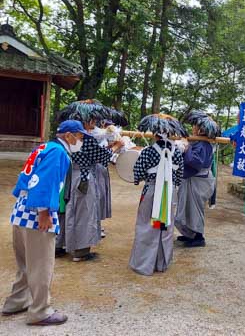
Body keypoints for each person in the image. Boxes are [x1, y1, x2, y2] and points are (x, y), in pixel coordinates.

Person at [2, 120, 86, 326]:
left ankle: (16, 302)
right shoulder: (58, 152)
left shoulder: (43, 147)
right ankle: (40, 311)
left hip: (21, 211)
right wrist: (44, 212)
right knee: (41, 265)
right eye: (80, 137)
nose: (81, 141)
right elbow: (46, 181)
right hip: (37, 214)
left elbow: (25, 179)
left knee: (25, 263)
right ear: (69, 135)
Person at [57, 119, 122, 262]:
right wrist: (117, 146)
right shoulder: (86, 140)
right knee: (84, 213)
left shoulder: (64, 142)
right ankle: (81, 251)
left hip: (69, 177)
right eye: (92, 119)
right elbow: (103, 156)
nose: (95, 123)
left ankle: (60, 244)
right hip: (84, 179)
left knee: (67, 211)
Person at [129, 135, 184, 275]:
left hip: (151, 191)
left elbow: (138, 172)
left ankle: (144, 264)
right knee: (164, 226)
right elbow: (179, 176)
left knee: (147, 225)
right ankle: (161, 263)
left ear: (155, 135)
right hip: (169, 193)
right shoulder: (177, 152)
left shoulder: (148, 151)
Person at [175, 111, 218, 248]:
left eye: (195, 126)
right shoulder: (199, 142)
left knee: (194, 210)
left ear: (200, 129)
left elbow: (196, 162)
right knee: (188, 208)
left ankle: (199, 237)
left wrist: (187, 148)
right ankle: (190, 234)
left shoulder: (203, 144)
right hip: (194, 180)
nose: (193, 128)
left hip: (199, 181)